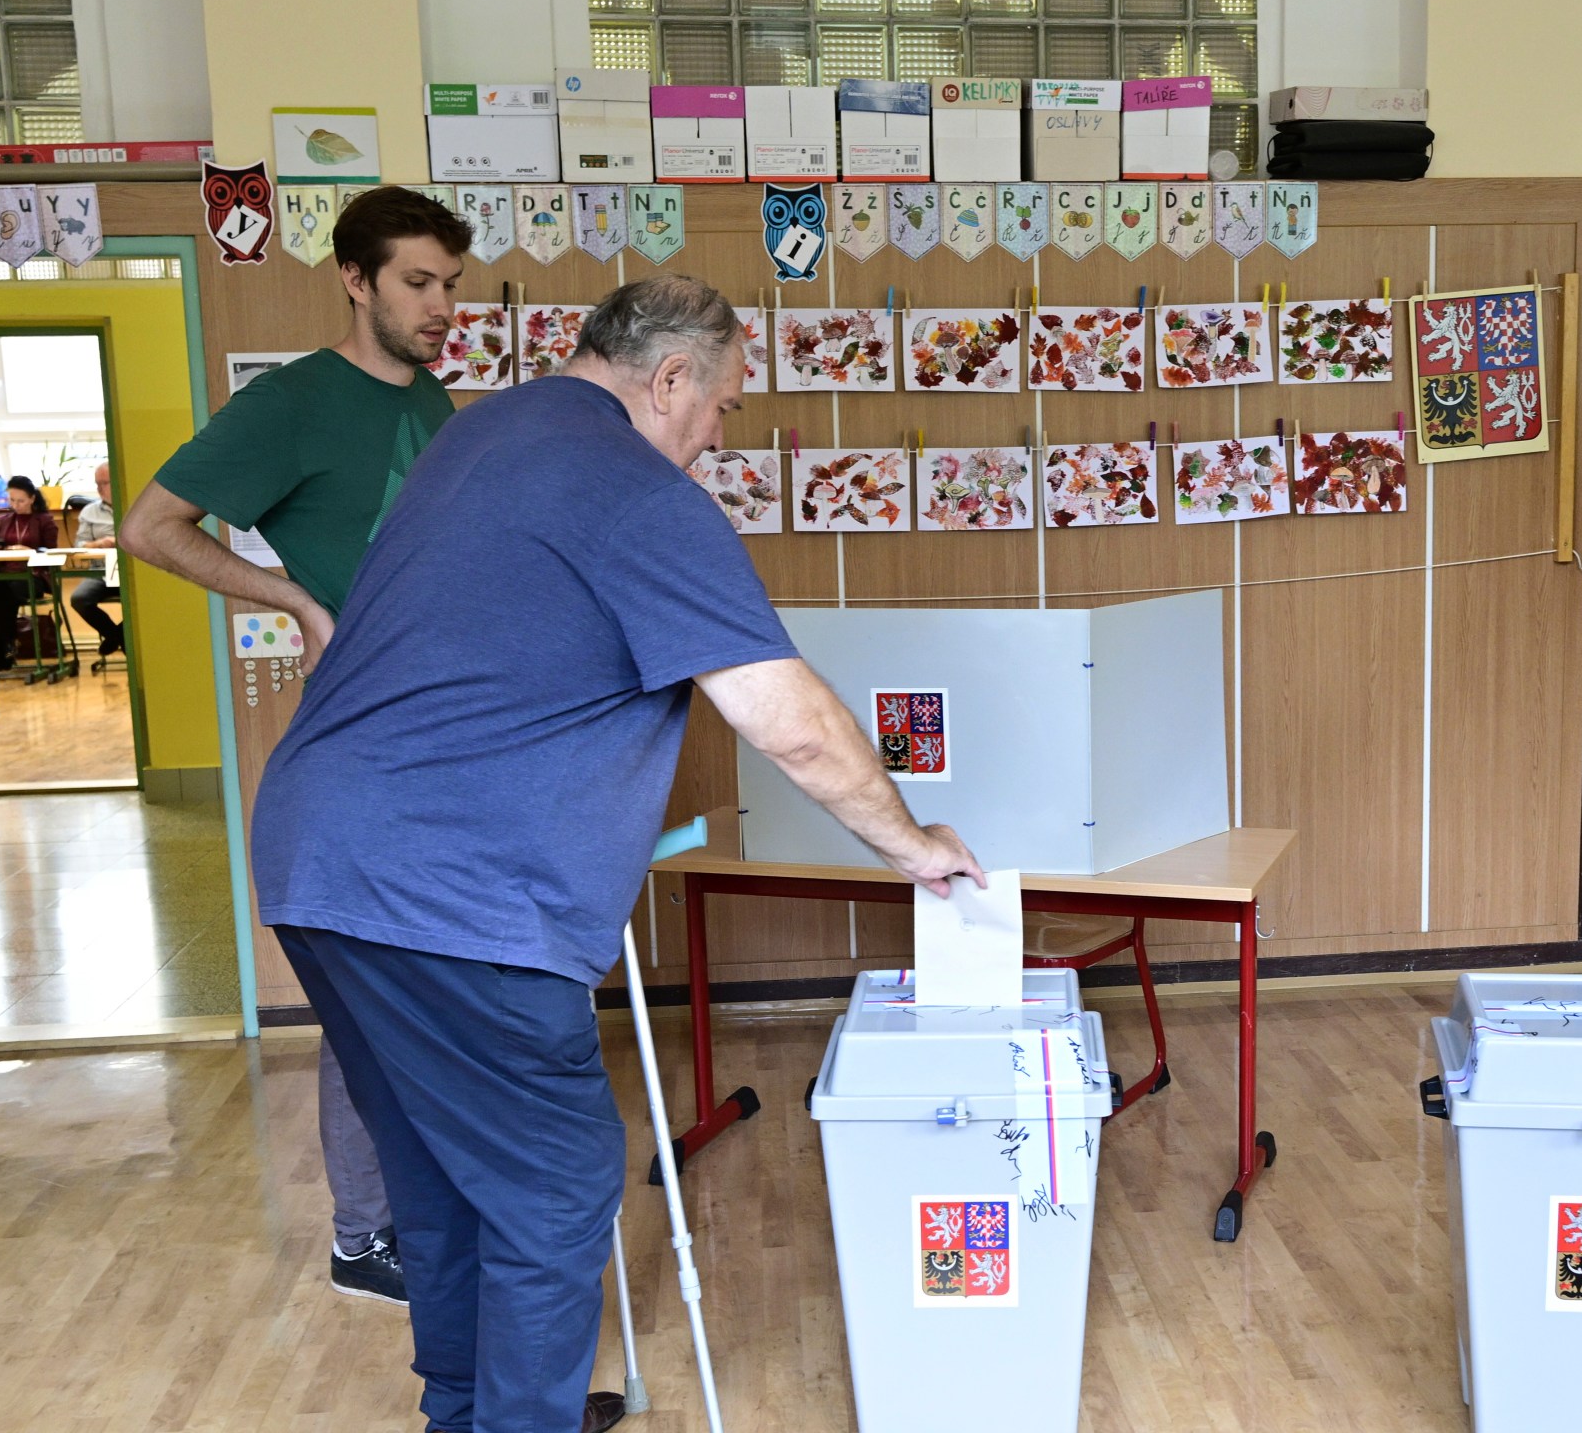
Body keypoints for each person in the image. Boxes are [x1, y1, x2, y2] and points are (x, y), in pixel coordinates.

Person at [251, 274, 986, 1433]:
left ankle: (471, 1414)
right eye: (726, 406)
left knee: (443, 1178)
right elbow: (785, 717)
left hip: (318, 859)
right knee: (553, 1186)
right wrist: (910, 843)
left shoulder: (490, 426)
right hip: (449, 893)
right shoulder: (633, 491)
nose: (720, 435)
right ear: (674, 378)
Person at [119, 186, 471, 1319]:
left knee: (433, 991)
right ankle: (365, 1234)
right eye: (418, 283)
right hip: (360, 750)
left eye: (451, 284)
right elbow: (149, 526)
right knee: (371, 995)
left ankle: (421, 1212)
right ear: (356, 280)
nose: (440, 307)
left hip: (443, 738)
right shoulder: (293, 405)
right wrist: (289, 600)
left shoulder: (442, 402)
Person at [0, 475, 59, 677]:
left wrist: (29, 550)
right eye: (12, 500)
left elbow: (51, 553)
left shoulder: (45, 521)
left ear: (32, 498)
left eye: (21, 501)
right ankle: (2, 653)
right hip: (6, 575)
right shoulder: (3, 521)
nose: (16, 505)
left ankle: (1, 655)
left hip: (34, 577)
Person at [69, 461, 122, 659]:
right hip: (100, 572)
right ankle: (117, 636)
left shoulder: (134, 505)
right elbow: (79, 546)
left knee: (142, 601)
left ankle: (118, 639)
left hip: (130, 572)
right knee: (79, 599)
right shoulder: (89, 511)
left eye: (104, 483)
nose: (99, 489)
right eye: (96, 484)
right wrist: (98, 544)